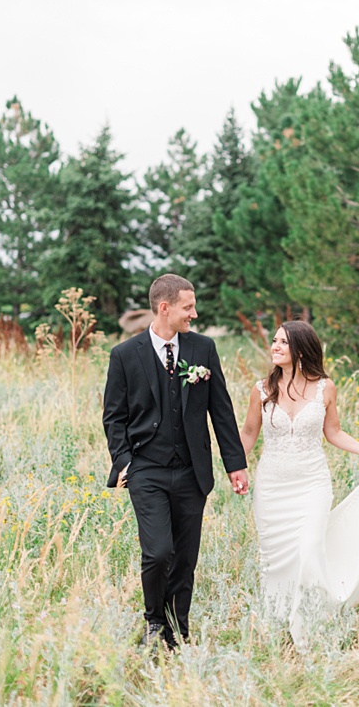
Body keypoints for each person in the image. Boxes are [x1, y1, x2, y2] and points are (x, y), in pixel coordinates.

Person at [238, 319, 359, 648]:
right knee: (276, 558)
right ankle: (279, 618)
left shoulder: (325, 388)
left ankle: (311, 623)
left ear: (300, 349)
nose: (275, 346)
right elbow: (249, 433)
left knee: (311, 548)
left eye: (283, 342)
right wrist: (233, 469)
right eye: (275, 341)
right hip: (271, 486)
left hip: (312, 483)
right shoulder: (262, 389)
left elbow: (334, 433)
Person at [102, 273, 249, 649]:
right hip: (145, 469)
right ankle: (154, 621)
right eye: (188, 307)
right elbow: (113, 416)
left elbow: (221, 409)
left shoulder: (203, 349)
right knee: (158, 552)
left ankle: (177, 630)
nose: (194, 314)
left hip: (191, 471)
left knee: (184, 559)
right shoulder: (124, 355)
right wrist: (124, 462)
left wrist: (235, 464)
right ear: (164, 308)